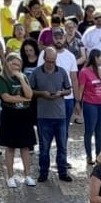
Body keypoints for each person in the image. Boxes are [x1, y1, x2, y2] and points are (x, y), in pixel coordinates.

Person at [29, 44, 73, 182]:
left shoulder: (62, 72)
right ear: (44, 59)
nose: (51, 64)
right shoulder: (36, 73)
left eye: (53, 61)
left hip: (60, 115)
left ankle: (62, 172)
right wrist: (42, 93)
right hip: (43, 116)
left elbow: (68, 89)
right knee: (44, 148)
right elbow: (30, 91)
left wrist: (61, 93)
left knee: (62, 146)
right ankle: (43, 173)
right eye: (49, 61)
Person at [0, 52, 37, 186]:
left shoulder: (23, 76)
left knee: (25, 147)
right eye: (14, 64)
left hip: (24, 115)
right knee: (10, 148)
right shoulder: (1, 78)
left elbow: (30, 95)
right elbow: (6, 97)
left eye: (19, 65)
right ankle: (10, 176)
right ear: (7, 63)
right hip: (10, 114)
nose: (16, 67)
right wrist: (23, 99)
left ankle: (27, 175)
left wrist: (21, 79)